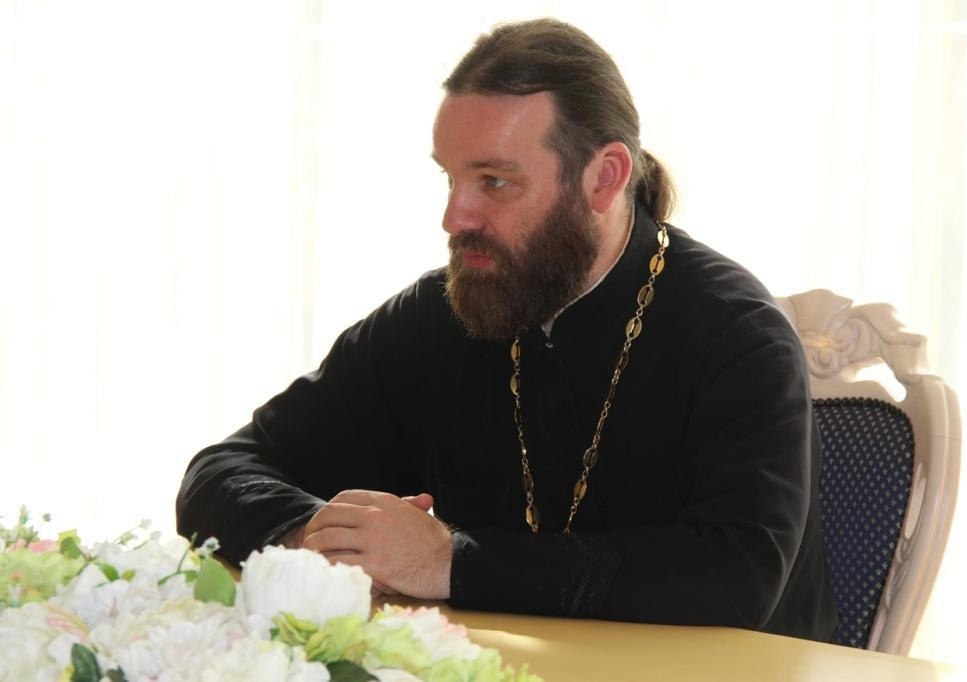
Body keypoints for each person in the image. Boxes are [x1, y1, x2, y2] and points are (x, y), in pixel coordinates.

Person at [177, 18, 838, 641]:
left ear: (604, 178)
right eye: (451, 177)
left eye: (494, 182)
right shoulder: (442, 314)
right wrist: (314, 534)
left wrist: (450, 563)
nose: (455, 217)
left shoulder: (736, 335)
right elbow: (221, 471)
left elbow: (736, 576)